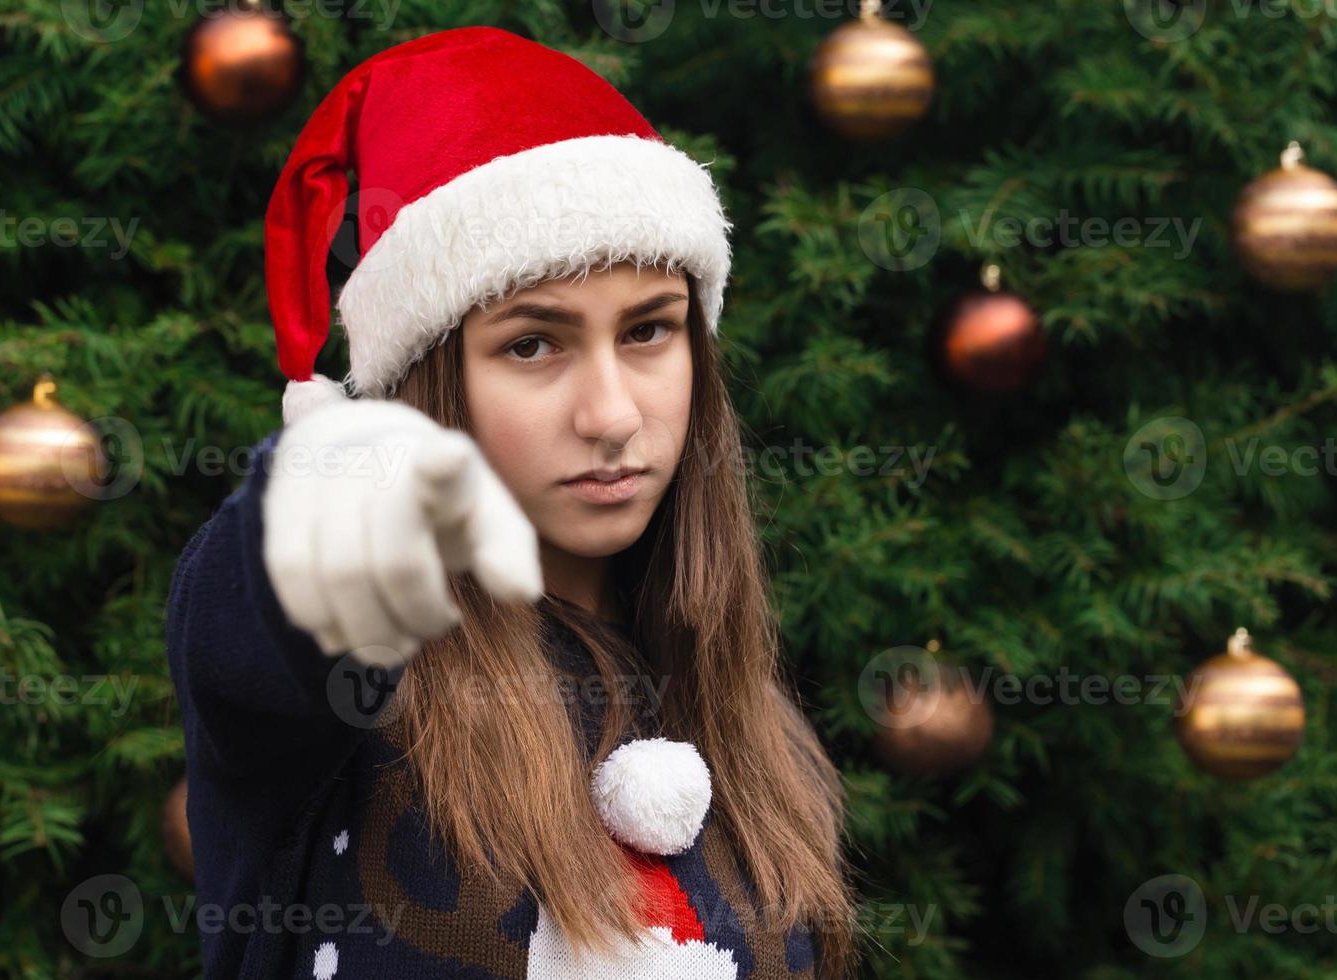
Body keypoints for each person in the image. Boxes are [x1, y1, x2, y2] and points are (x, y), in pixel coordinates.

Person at [166, 26, 859, 979]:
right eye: (532, 344)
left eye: (650, 330)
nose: (613, 414)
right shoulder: (346, 691)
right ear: (425, 386)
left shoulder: (746, 721)